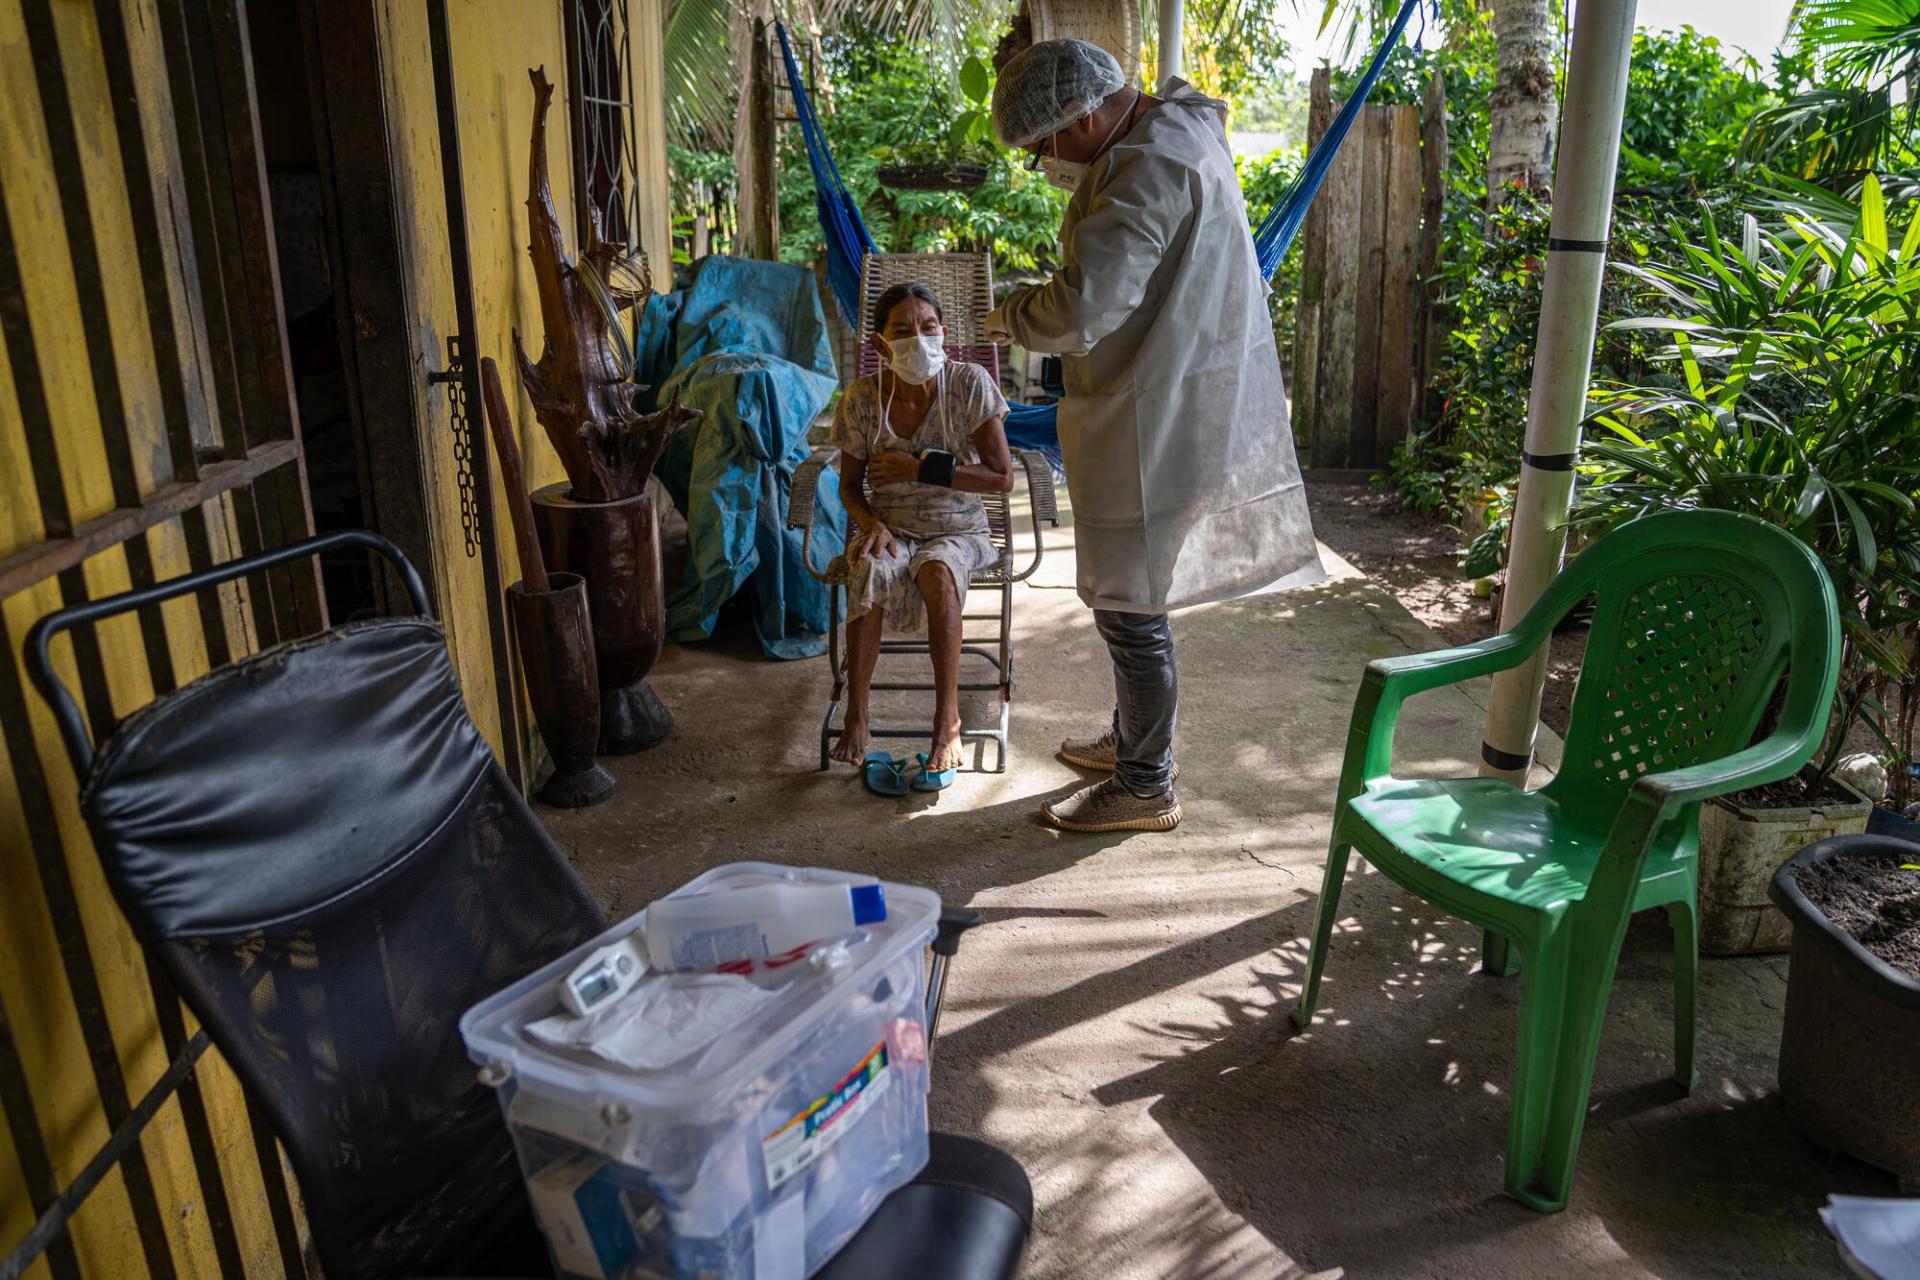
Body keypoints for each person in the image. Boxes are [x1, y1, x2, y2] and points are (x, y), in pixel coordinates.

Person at [985, 39, 1323, 834]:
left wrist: (1004, 313)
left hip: (1161, 414)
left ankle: (1145, 782)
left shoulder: (1150, 166)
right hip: (1162, 396)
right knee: (1130, 602)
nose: (1044, 163)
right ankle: (1135, 740)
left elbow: (1080, 308)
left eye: (1044, 146)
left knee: (1132, 611)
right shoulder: (1169, 133)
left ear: (1088, 114)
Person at [827, 282, 1014, 779]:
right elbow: (849, 487)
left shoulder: (969, 384)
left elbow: (1002, 476)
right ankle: (858, 715)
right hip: (891, 528)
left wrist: (918, 469)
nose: (918, 339)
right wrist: (871, 525)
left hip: (960, 531)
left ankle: (946, 720)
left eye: (928, 328)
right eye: (902, 331)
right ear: (880, 345)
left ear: (944, 334)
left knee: (937, 570)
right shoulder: (863, 399)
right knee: (867, 566)